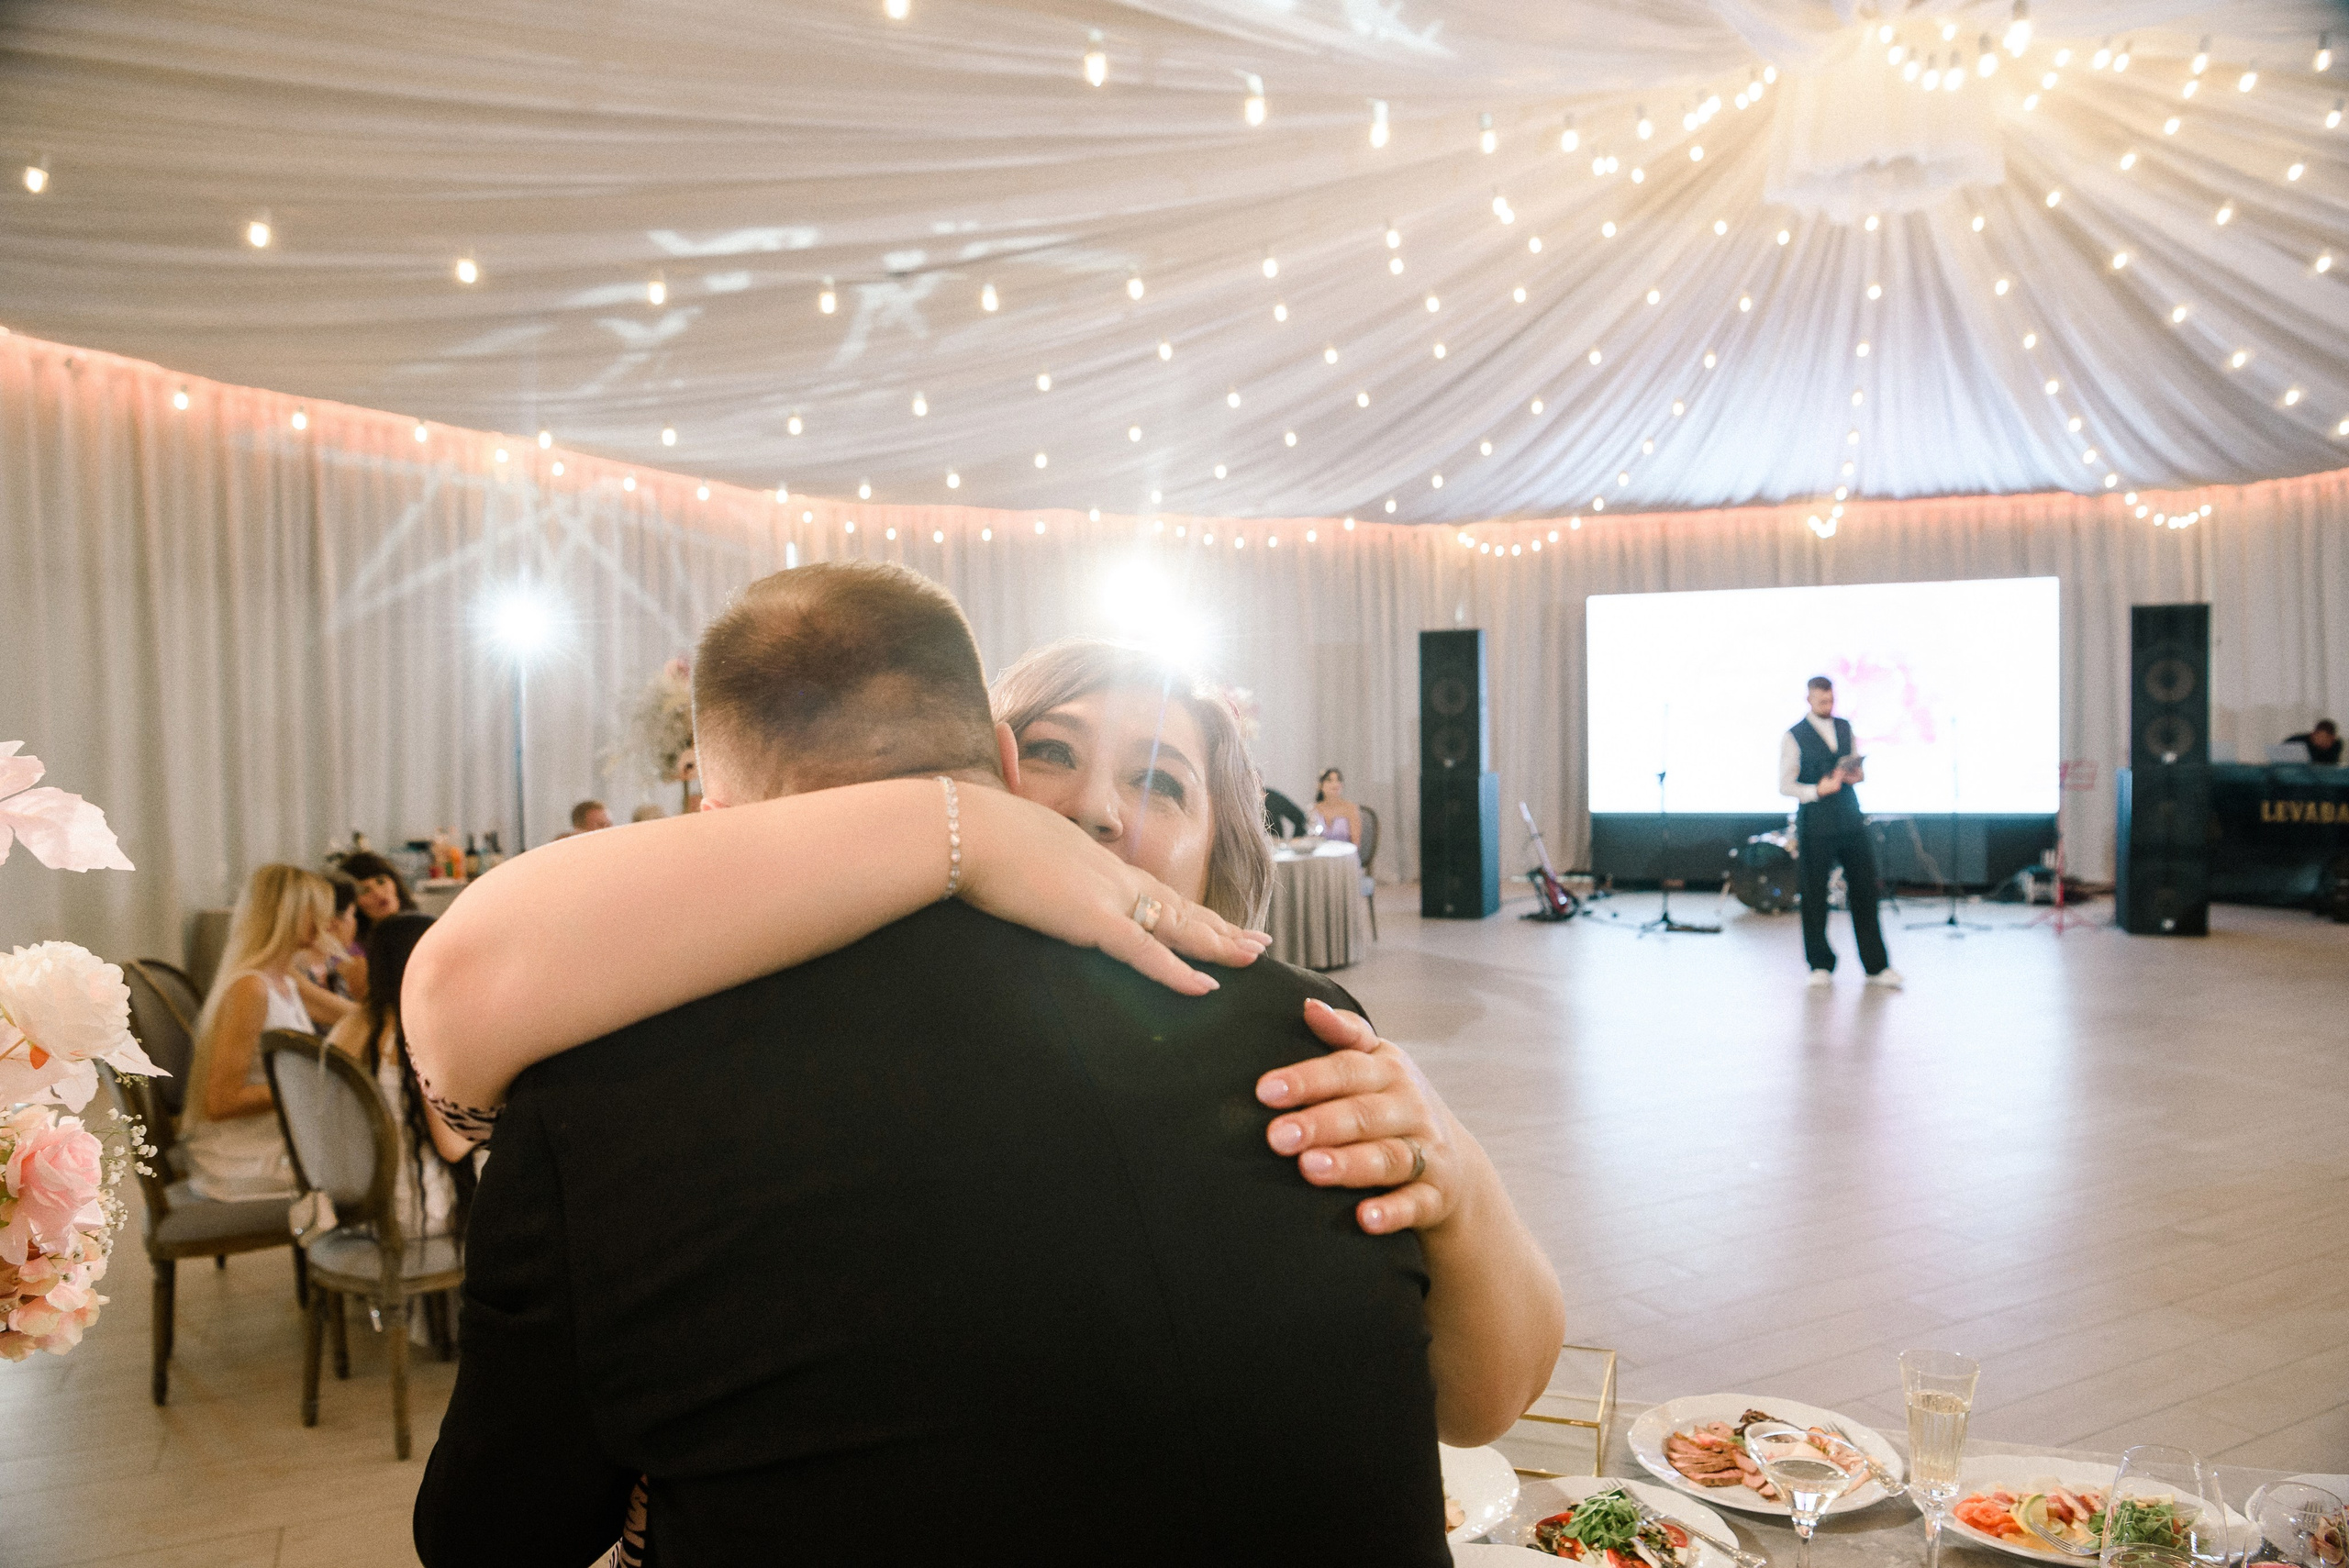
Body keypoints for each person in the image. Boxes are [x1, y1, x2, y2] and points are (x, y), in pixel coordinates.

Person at [411, 564, 1562, 1564]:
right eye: (1054, 754)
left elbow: (1478, 1398)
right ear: (995, 765)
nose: (1095, 811)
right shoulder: (655, 1073)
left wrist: (1454, 1166)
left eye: (1160, 780)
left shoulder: (1315, 1048)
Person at [181, 864, 340, 1201]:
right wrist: (313, 1082)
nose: (327, 922)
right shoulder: (251, 988)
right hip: (245, 1159)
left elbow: (351, 1017)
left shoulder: (285, 981)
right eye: (317, 911)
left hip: (274, 1141)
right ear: (288, 913)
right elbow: (220, 1102)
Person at [325, 913, 475, 1244]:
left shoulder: (348, 1028)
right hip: (418, 1213)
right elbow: (451, 1147)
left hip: (353, 1209)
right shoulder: (423, 1036)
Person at [1778, 676, 1903, 990]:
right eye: (1822, 700)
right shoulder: (1793, 736)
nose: (1828, 705)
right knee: (1814, 894)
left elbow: (1859, 772)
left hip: (1850, 818)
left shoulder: (1846, 727)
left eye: (1831, 700)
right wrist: (1816, 790)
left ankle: (1877, 966)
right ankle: (1820, 964)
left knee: (1865, 890)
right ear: (1809, 699)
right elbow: (1785, 785)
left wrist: (1856, 775)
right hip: (1816, 822)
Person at [338, 850, 417, 940]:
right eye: (365, 890)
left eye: (381, 881)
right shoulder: (352, 946)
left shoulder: (423, 927)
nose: (378, 893)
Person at [1308, 766, 1364, 845]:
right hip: (1321, 851)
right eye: (1329, 780)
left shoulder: (1351, 808)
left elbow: (1356, 843)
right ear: (1320, 785)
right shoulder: (1313, 809)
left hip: (1345, 851)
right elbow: (1311, 838)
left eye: (1338, 780)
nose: (1335, 784)